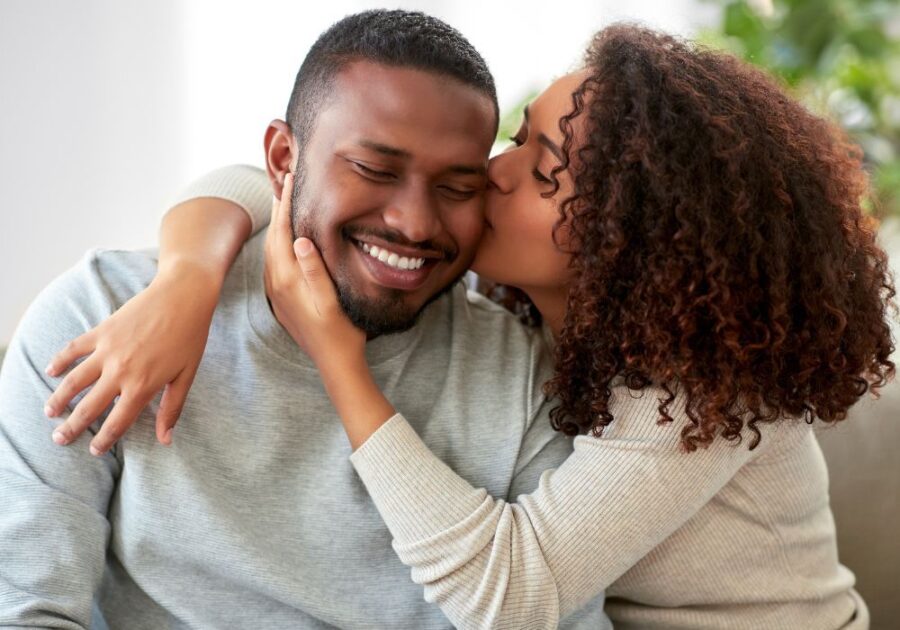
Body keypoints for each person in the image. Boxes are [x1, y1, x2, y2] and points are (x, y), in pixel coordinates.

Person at [41, 24, 894, 630]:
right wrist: (187, 280)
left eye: (542, 171)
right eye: (518, 138)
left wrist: (340, 362)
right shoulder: (540, 318)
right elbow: (279, 176)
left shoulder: (693, 393)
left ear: (625, 238)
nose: (493, 174)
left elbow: (510, 593)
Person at [0, 10, 610, 629]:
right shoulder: (103, 315)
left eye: (458, 186)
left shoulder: (526, 381)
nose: (416, 223)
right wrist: (190, 273)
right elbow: (29, 613)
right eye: (376, 170)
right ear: (283, 157)